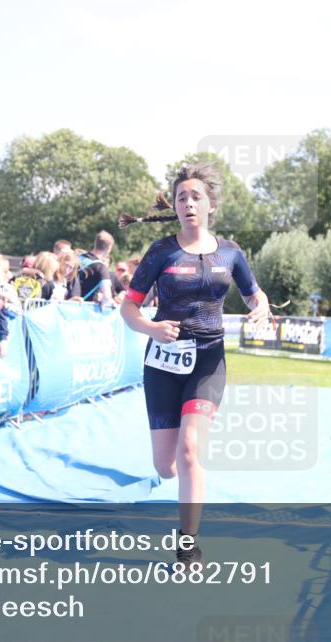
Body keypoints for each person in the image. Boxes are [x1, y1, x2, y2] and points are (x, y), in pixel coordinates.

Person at [120, 163, 270, 567]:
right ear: (174, 205)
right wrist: (151, 328)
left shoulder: (231, 252)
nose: (188, 203)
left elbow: (255, 294)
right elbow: (128, 307)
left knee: (189, 451)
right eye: (181, 197)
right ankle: (176, 479)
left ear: (210, 206)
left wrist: (260, 309)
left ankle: (189, 544)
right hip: (164, 363)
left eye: (196, 197)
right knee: (166, 467)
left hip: (208, 360)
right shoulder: (161, 251)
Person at [79, 231, 115, 305]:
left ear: (95, 243)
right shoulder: (101, 267)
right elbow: (107, 297)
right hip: (84, 311)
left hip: (67, 306)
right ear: (109, 248)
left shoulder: (78, 258)